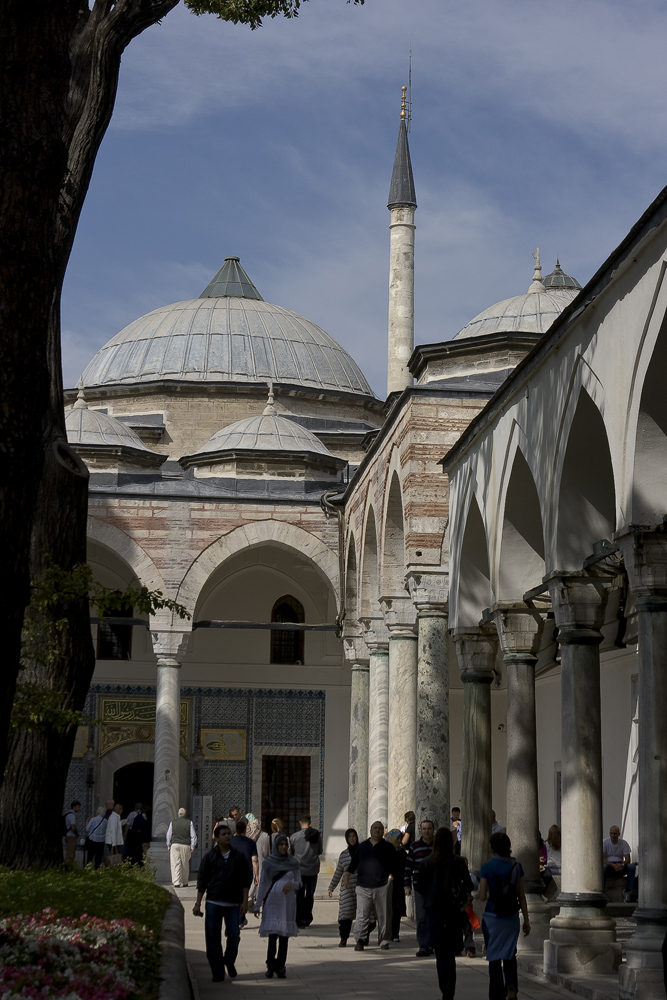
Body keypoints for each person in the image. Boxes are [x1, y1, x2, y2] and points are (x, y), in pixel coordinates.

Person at [416, 827, 473, 1000]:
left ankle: (445, 990)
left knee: (441, 953)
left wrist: (430, 896)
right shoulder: (458, 862)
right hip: (453, 910)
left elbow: (420, 886)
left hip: (435, 911)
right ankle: (450, 991)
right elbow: (469, 885)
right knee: (450, 954)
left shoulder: (426, 862)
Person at [193, 824, 252, 982]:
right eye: (223, 834)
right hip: (213, 902)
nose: (227, 836)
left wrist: (245, 902)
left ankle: (229, 960)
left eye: (229, 834)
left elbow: (246, 879)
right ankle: (218, 972)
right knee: (212, 939)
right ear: (217, 838)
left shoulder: (238, 857)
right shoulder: (210, 857)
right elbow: (202, 881)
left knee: (234, 935)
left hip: (233, 903)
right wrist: (198, 903)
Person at [479, 832, 530, 1000]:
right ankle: (511, 985)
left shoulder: (487, 867)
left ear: (492, 847)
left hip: (492, 915)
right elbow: (521, 895)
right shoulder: (517, 867)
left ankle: (495, 994)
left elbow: (482, 895)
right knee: (510, 953)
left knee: (493, 956)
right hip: (511, 916)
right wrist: (527, 920)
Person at [253, 833, 301, 978]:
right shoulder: (268, 863)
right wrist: (257, 904)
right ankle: (270, 965)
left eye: (286, 844)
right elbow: (263, 884)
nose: (284, 847)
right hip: (273, 901)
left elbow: (299, 883)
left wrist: (291, 884)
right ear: (276, 846)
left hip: (287, 903)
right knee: (273, 936)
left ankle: (281, 966)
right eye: (281, 844)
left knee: (284, 937)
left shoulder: (293, 862)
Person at [344, 819, 396, 951]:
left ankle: (384, 940)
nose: (377, 830)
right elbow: (354, 862)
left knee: (384, 915)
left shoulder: (388, 847)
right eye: (375, 828)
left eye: (380, 828)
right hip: (363, 886)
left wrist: (391, 877)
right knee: (362, 915)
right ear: (370, 830)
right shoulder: (362, 846)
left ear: (382, 831)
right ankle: (360, 940)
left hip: (382, 885)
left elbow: (395, 866)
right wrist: (347, 876)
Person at [405, 818, 435, 956]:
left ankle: (434, 944)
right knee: (421, 918)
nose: (426, 831)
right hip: (420, 887)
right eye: (424, 829)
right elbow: (408, 867)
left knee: (434, 917)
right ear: (420, 830)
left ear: (433, 830)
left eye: (429, 828)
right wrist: (407, 885)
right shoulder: (415, 846)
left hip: (437, 888)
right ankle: (423, 945)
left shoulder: (438, 846)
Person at [289, 813, 322, 928]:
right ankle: (307, 917)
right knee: (310, 895)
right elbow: (320, 851)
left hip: (299, 870)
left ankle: (299, 918)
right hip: (313, 869)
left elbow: (291, 852)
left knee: (299, 894)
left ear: (299, 822)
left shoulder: (294, 837)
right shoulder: (316, 835)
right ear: (310, 822)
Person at [328, 828, 359, 946]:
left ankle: (362, 937)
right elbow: (338, 873)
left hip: (361, 887)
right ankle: (344, 938)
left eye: (354, 836)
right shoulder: (344, 855)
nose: (352, 838)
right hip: (347, 888)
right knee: (345, 915)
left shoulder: (362, 851)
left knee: (367, 916)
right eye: (350, 836)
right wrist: (331, 887)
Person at [603, 825, 637, 901]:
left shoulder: (623, 843)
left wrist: (621, 865)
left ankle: (628, 891)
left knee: (631, 867)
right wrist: (612, 865)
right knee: (603, 867)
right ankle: (602, 889)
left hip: (620, 866)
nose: (613, 835)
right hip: (609, 867)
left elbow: (628, 859)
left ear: (619, 834)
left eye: (615, 833)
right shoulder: (605, 842)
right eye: (611, 833)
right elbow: (602, 858)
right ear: (609, 833)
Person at [166, 807, 197, 887]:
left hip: (175, 844)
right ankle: (185, 881)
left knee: (175, 863)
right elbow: (193, 835)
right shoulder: (189, 822)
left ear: (178, 814)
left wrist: (168, 845)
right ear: (185, 814)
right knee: (185, 863)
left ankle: (176, 882)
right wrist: (192, 846)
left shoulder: (173, 822)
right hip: (185, 845)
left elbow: (168, 835)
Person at [386, 829, 407, 942]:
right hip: (388, 884)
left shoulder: (402, 852)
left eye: (400, 838)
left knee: (397, 909)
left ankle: (395, 934)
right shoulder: (386, 851)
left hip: (399, 884)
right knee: (388, 909)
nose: (399, 841)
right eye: (397, 838)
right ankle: (387, 932)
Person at [245, 815, 270, 906]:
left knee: (251, 876)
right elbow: (266, 851)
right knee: (259, 877)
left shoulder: (247, 835)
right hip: (260, 859)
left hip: (249, 858)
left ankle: (249, 896)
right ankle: (256, 897)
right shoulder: (265, 835)